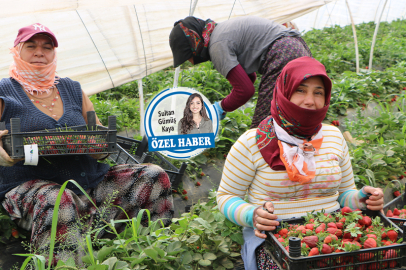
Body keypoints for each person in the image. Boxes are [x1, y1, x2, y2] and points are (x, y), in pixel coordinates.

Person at [0, 23, 173, 264]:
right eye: (31, 46)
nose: (39, 52)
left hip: (87, 182)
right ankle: (63, 265)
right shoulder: (4, 92)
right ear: (17, 50)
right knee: (59, 199)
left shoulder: (71, 88)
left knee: (153, 175)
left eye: (47, 47)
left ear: (53, 53)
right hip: (34, 189)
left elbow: (97, 133)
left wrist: (101, 150)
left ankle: (151, 254)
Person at [216, 57, 384, 270]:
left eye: (318, 92)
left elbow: (344, 194)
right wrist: (252, 215)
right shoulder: (251, 142)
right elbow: (225, 197)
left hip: (331, 234)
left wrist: (361, 199)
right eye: (301, 90)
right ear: (284, 92)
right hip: (274, 238)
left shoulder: (333, 136)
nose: (310, 101)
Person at [169, 16, 312, 128]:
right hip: (298, 47)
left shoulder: (216, 46)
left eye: (188, 56)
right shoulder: (222, 31)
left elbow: (245, 90)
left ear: (195, 42)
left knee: (262, 127)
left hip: (283, 55)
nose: (191, 62)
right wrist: (229, 101)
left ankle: (263, 163)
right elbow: (250, 78)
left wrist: (219, 108)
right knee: (294, 114)